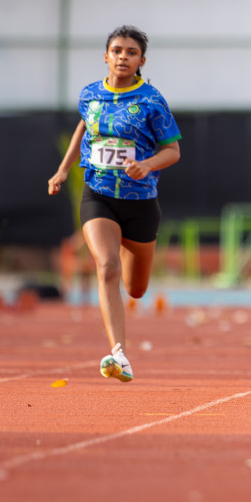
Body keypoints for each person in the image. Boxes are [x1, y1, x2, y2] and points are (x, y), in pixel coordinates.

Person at [48, 27, 181, 382]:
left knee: (136, 288)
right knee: (106, 267)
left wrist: (147, 165)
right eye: (117, 50)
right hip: (99, 195)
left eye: (131, 52)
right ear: (105, 56)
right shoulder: (90, 95)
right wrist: (62, 170)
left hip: (140, 201)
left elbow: (173, 151)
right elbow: (83, 127)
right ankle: (119, 354)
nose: (123, 57)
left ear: (141, 61)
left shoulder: (152, 101)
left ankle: (128, 251)